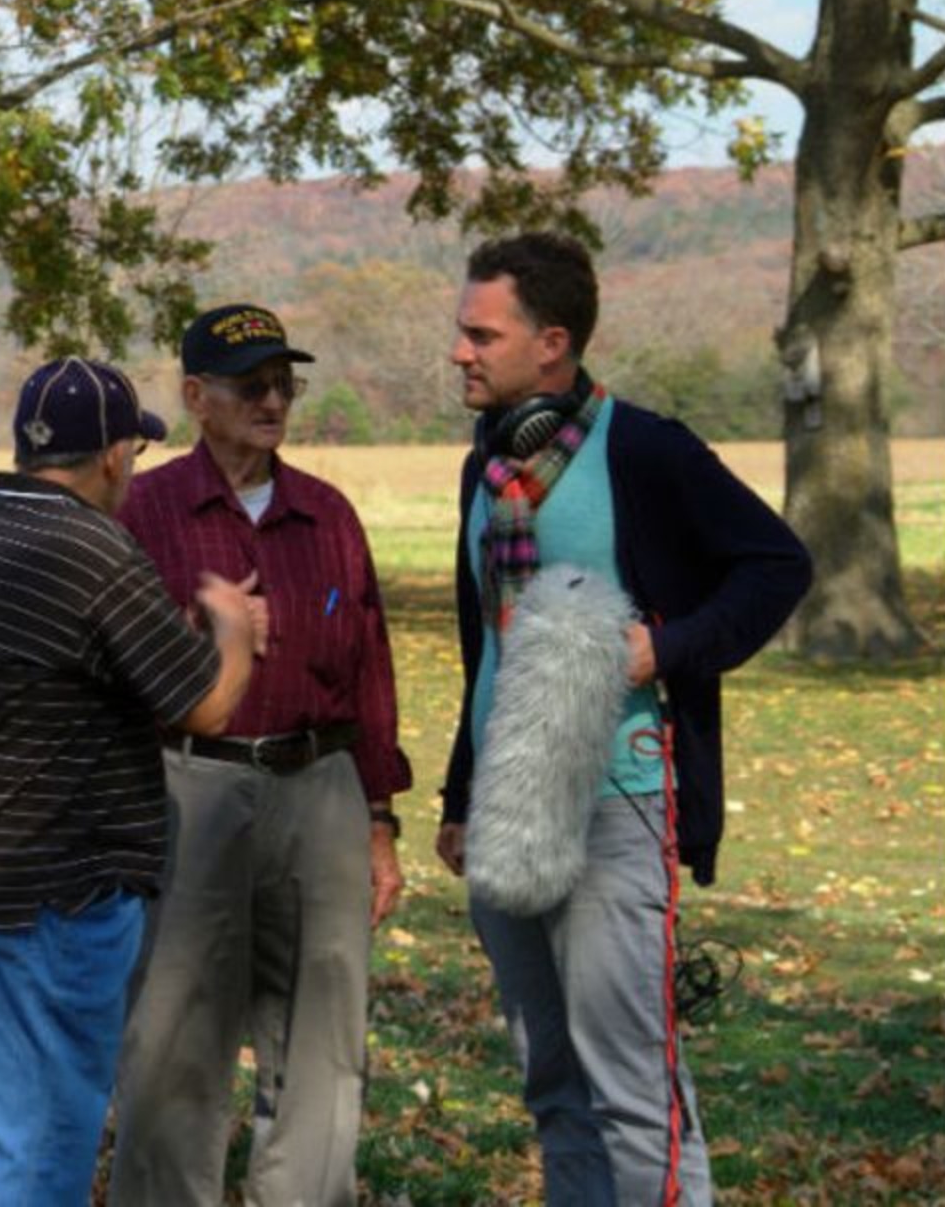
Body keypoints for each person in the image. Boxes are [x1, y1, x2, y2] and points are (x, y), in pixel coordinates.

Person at [435, 233, 811, 1205]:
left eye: (480, 333)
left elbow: (776, 565)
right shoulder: (486, 467)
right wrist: (458, 794)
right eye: (459, 332)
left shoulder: (643, 450)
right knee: (551, 1086)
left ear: (550, 343)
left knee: (633, 1090)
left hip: (617, 803)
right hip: (509, 815)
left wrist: (665, 645)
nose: (458, 352)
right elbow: (489, 648)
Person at [0, 355, 264, 1207]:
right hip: (61, 894)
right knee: (49, 1143)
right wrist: (234, 627)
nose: (134, 472)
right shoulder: (92, 550)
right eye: (133, 454)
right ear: (112, 456)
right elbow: (206, 704)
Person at [110, 303, 412, 1207]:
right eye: (252, 385)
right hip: (190, 786)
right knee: (173, 1041)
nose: (273, 400)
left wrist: (380, 818)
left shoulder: (328, 514)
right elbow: (108, 659)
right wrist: (201, 633)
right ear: (197, 396)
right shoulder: (146, 509)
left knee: (325, 1039)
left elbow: (370, 674)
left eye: (285, 383)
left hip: (320, 786)